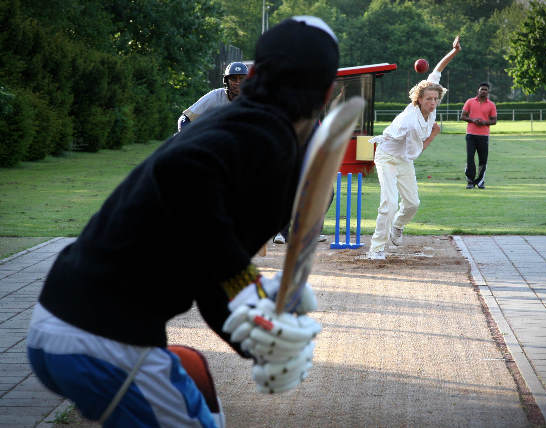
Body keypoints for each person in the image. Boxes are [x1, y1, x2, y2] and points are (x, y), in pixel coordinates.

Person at [26, 16, 339, 427]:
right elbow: (183, 175)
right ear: (330, 91)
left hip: (66, 326)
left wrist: (257, 340)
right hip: (102, 341)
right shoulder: (265, 133)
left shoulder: (238, 127)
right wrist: (246, 289)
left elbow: (209, 273)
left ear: (255, 74)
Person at [367, 36, 461, 261]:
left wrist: (454, 52)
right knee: (388, 203)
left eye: (436, 98)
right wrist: (434, 135)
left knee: (412, 204)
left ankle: (397, 227)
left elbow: (437, 70)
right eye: (428, 98)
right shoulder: (410, 122)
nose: (433, 102)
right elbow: (415, 153)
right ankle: (376, 249)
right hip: (387, 157)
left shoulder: (432, 107)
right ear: (419, 99)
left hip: (403, 158)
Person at [177, 61, 249, 132]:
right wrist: (183, 134)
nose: (237, 82)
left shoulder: (253, 100)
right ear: (226, 81)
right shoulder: (215, 96)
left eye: (242, 78)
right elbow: (185, 119)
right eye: (233, 78)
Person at [460, 82, 497, 189]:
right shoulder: (470, 102)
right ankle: (470, 181)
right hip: (471, 135)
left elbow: (494, 121)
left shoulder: (491, 105)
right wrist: (473, 120)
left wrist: (484, 122)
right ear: (478, 90)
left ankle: (480, 182)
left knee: (483, 160)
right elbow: (462, 116)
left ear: (488, 92)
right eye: (482, 89)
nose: (483, 91)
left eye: (485, 90)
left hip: (484, 136)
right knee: (470, 158)